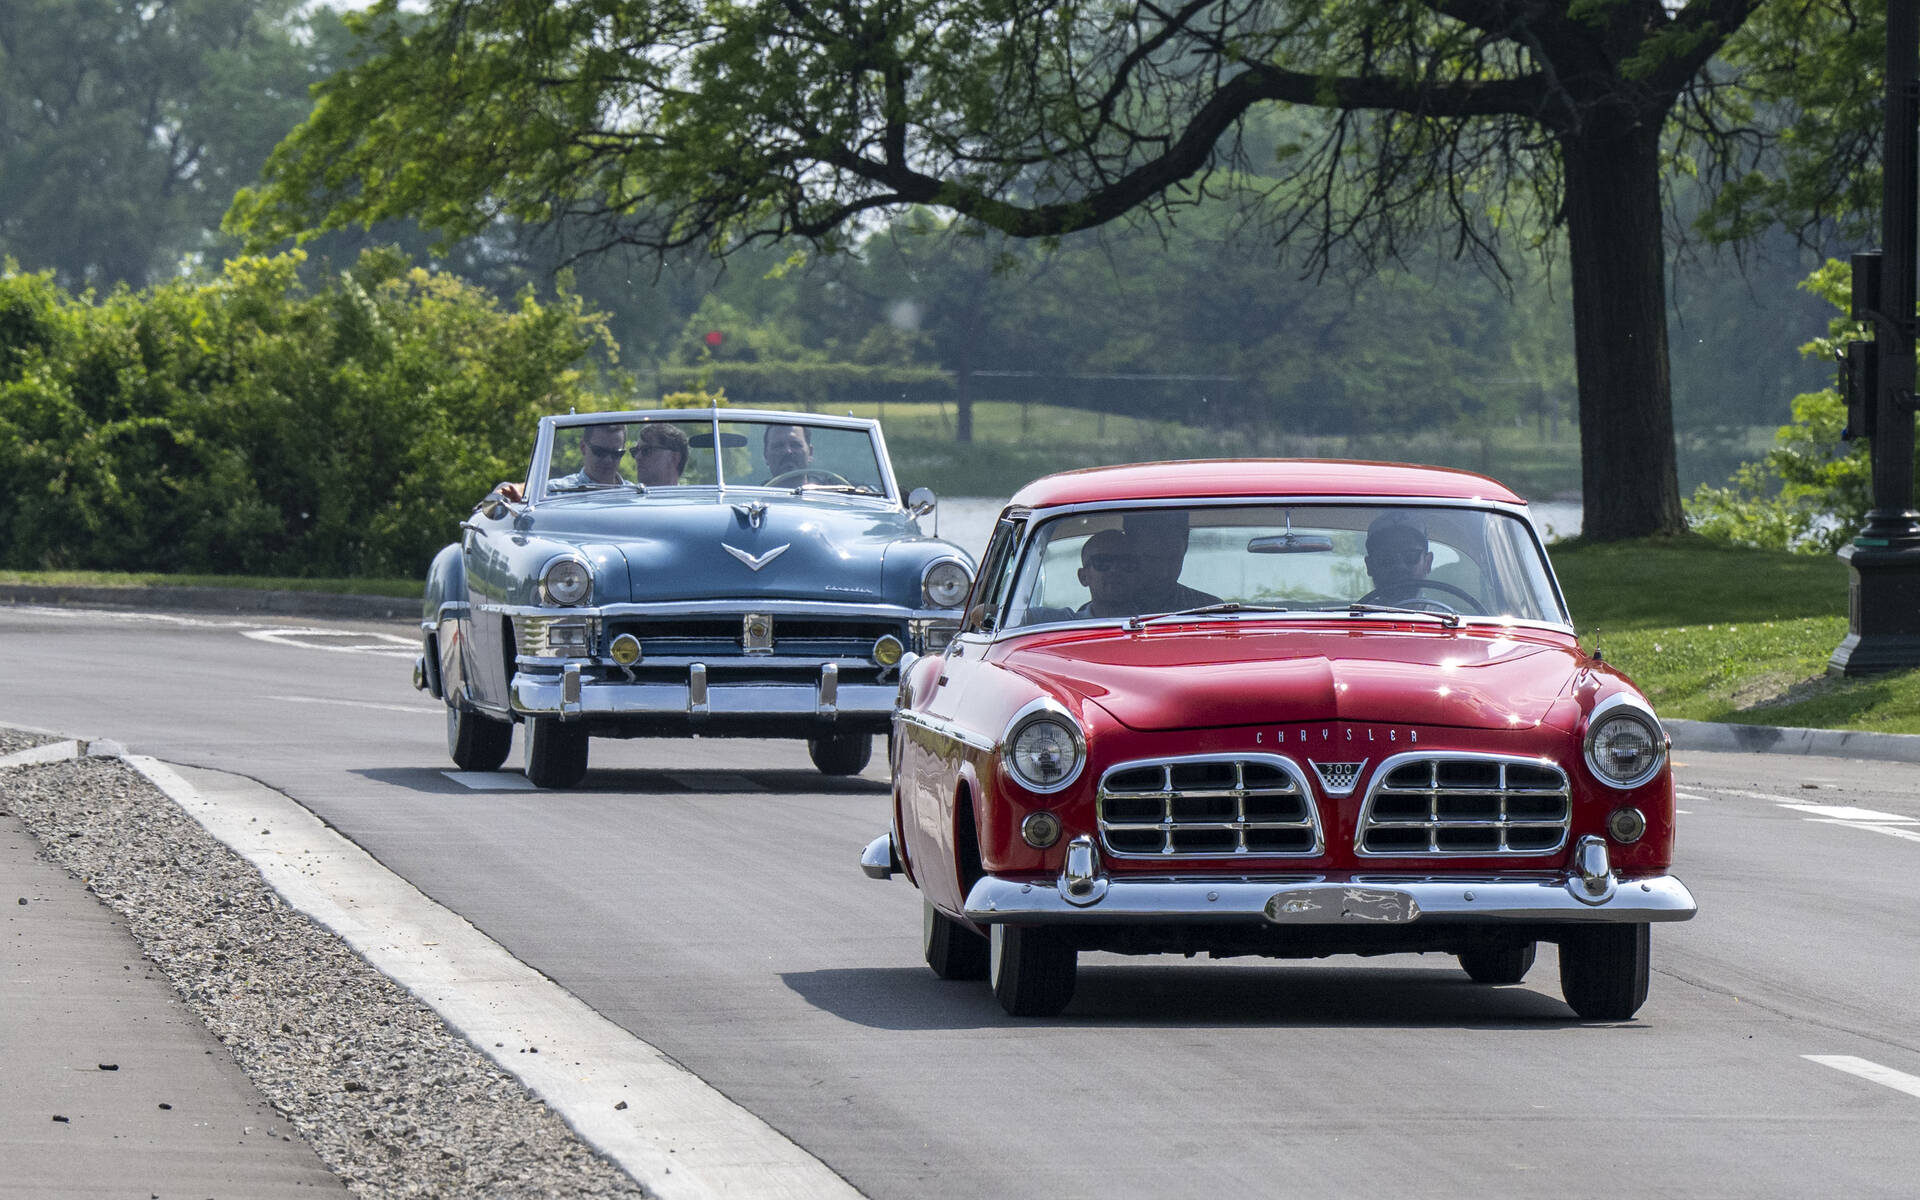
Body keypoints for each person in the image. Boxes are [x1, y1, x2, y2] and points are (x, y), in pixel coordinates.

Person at [1122, 509, 1220, 611]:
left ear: (1185, 550)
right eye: (1152, 559)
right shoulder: (1111, 611)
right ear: (1130, 551)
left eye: (1173, 559)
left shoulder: (1211, 609)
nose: (1163, 572)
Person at [1362, 512, 1433, 600]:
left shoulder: (1446, 609)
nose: (1400, 566)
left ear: (1427, 563)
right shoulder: (1355, 609)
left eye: (1410, 556)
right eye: (1386, 558)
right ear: (1370, 565)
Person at [1074, 529, 1142, 618]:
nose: (1115, 570)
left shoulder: (1157, 619)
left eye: (1126, 562)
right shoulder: (1064, 624)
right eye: (1102, 562)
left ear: (1139, 575)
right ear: (1083, 577)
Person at [548, 424, 631, 491]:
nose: (608, 460)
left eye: (616, 453)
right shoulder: (555, 491)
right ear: (583, 447)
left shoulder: (634, 494)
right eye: (600, 451)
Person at [631, 422, 689, 486]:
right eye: (635, 451)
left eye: (647, 450)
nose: (637, 457)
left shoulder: (693, 492)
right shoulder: (626, 491)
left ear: (674, 458)